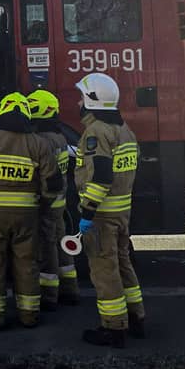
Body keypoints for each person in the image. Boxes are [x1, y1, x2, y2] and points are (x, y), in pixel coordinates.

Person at [0, 92, 57, 330]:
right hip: (27, 215)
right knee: (27, 262)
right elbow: (53, 184)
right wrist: (44, 204)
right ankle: (29, 314)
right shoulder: (38, 144)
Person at [73, 72, 145, 348]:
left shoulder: (96, 132)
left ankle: (113, 328)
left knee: (105, 270)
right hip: (122, 212)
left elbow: (101, 177)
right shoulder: (125, 130)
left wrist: (87, 212)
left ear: (92, 101)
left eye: (82, 97)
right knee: (124, 264)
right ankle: (136, 318)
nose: (78, 102)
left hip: (102, 215)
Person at [27, 89, 80, 310]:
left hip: (46, 202)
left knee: (46, 247)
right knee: (61, 243)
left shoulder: (41, 141)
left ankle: (49, 295)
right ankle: (70, 288)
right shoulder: (60, 137)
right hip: (59, 202)